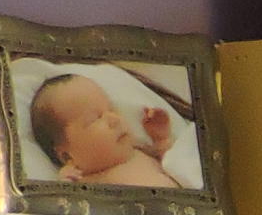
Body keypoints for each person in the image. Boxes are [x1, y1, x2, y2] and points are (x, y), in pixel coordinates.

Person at [28, 72, 184, 189]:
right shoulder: (87, 182)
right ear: (67, 156)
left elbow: (175, 165)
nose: (114, 119)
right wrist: (65, 186)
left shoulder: (141, 151)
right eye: (95, 118)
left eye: (112, 109)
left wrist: (161, 139)